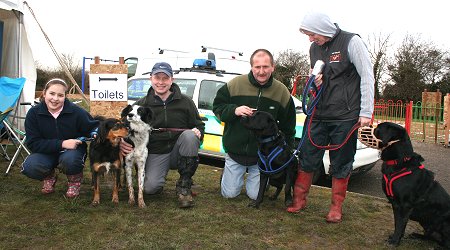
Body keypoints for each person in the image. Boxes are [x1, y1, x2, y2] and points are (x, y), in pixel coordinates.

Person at [287, 12, 375, 223]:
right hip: (318, 114)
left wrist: (365, 112)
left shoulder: (351, 41)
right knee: (308, 156)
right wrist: (315, 83)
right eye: (308, 35)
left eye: (312, 34)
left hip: (345, 115)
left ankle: (336, 207)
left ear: (323, 29)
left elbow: (367, 76)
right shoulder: (314, 48)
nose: (310, 39)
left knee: (341, 161)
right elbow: (320, 79)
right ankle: (299, 200)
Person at [213, 49, 297, 203]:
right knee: (229, 194)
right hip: (235, 152)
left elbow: (288, 126)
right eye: (257, 67)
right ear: (251, 67)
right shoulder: (234, 84)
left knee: (254, 195)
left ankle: (258, 182)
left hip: (262, 158)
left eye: (266, 67)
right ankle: (228, 175)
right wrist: (234, 110)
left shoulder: (282, 92)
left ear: (273, 67)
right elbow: (217, 108)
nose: (261, 71)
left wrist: (288, 149)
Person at [120, 62, 205, 208]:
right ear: (150, 79)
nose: (161, 82)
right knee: (150, 189)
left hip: (179, 150)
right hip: (156, 152)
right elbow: (124, 127)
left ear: (172, 80)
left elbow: (199, 125)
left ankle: (184, 185)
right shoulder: (141, 104)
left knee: (190, 136)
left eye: (165, 78)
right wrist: (121, 141)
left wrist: (198, 131)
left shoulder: (186, 102)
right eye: (157, 77)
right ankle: (157, 180)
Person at [21, 78, 99, 198]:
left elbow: (93, 126)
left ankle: (74, 182)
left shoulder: (76, 111)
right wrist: (62, 143)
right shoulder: (33, 113)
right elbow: (33, 143)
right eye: (52, 93)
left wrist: (95, 133)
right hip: (46, 152)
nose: (55, 99)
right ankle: (49, 176)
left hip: (72, 151)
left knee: (71, 160)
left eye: (60, 95)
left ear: (65, 97)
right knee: (30, 166)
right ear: (44, 93)